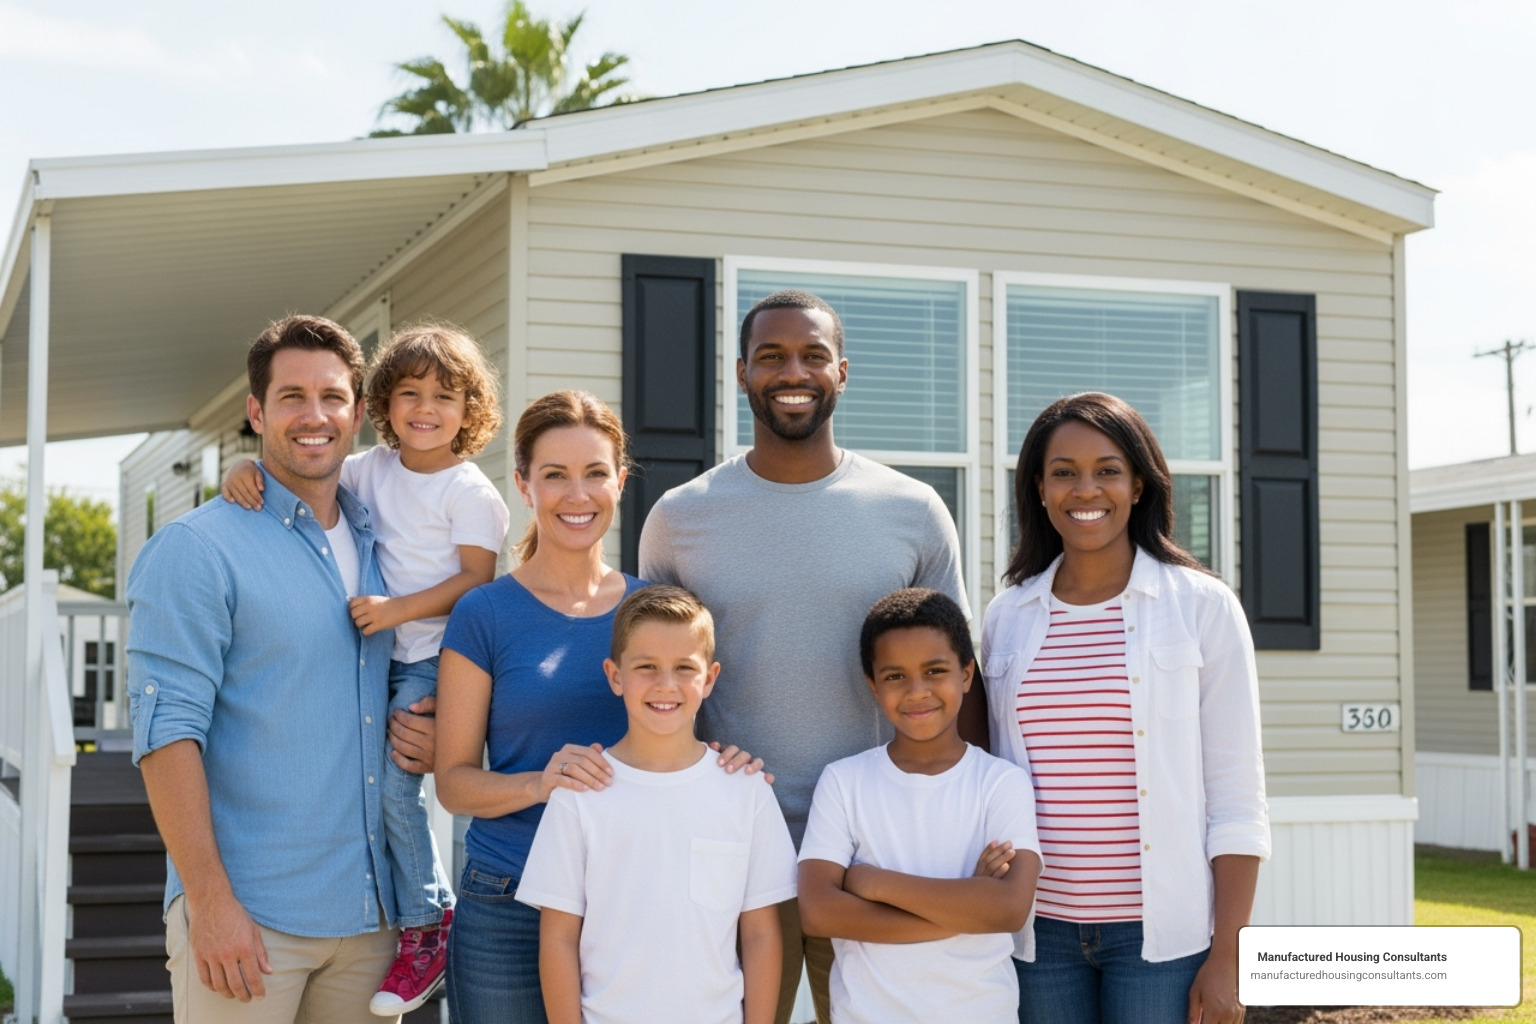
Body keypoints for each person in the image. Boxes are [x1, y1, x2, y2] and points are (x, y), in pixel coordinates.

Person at [638, 289, 971, 1024]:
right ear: (741, 373)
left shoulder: (913, 510)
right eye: (771, 356)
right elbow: (652, 682)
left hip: (878, 847)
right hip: (726, 836)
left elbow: (958, 682)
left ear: (842, 372)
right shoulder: (680, 518)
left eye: (813, 355)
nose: (793, 372)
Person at [127, 314, 439, 1024]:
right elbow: (166, 734)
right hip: (249, 917)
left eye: (332, 397)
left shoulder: (386, 539)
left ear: (359, 413)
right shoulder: (198, 548)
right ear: (256, 411)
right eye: (292, 396)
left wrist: (433, 730)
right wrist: (209, 902)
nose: (314, 416)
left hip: (371, 920)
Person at [433, 390, 762, 1024]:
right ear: (524, 484)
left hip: (635, 897)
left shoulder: (656, 609)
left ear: (620, 482)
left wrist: (729, 763)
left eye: (594, 473)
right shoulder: (484, 613)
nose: (577, 495)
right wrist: (540, 782)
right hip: (508, 899)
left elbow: (685, 738)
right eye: (555, 475)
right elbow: (453, 784)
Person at [222, 322, 511, 1015]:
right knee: (357, 773)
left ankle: (427, 921)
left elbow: (477, 581)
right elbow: (302, 470)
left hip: (433, 658)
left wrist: (397, 609)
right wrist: (241, 469)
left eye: (444, 396)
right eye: (409, 392)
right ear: (381, 403)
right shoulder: (369, 469)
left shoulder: (471, 492)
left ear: (470, 409)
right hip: (376, 654)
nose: (424, 408)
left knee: (396, 791)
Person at [980, 392, 1270, 1024]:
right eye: (1064, 472)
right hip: (1037, 933)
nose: (1086, 490)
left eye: (1107, 470)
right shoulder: (1007, 617)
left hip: (1160, 939)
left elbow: (1237, 797)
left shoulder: (1202, 607)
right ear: (1039, 488)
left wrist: (1231, 957)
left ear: (1139, 484)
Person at [517, 585, 797, 1024]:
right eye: (646, 667)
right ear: (615, 676)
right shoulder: (579, 794)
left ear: (710, 678)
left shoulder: (747, 792)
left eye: (684, 667)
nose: (666, 685)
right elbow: (558, 939)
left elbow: (761, 935)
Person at [798, 588, 1041, 1024]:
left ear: (966, 674)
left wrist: (873, 882)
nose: (917, 691)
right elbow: (817, 912)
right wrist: (968, 908)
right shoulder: (843, 781)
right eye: (895, 676)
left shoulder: (1001, 782)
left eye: (935, 671)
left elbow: (1009, 909)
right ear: (873, 685)